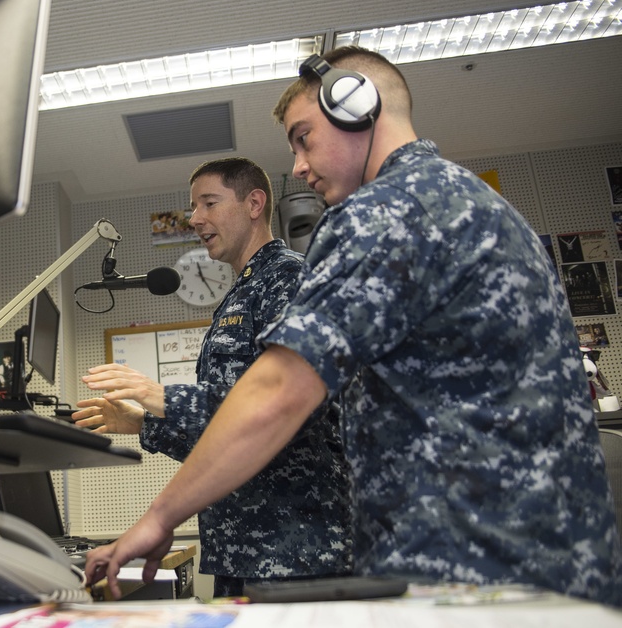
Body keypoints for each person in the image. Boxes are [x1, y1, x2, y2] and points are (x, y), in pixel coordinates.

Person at [84, 47, 622, 606]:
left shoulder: (381, 213)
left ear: (357, 108)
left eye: (304, 137)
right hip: (545, 563)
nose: (297, 164)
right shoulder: (478, 204)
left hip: (466, 569)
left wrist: (160, 516)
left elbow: (279, 393)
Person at [73, 157, 352, 597]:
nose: (195, 218)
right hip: (243, 551)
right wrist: (143, 422)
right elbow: (230, 433)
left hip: (295, 553)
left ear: (254, 203)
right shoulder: (242, 291)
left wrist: (156, 393)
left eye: (209, 203)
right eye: (193, 207)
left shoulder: (287, 278)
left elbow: (280, 411)